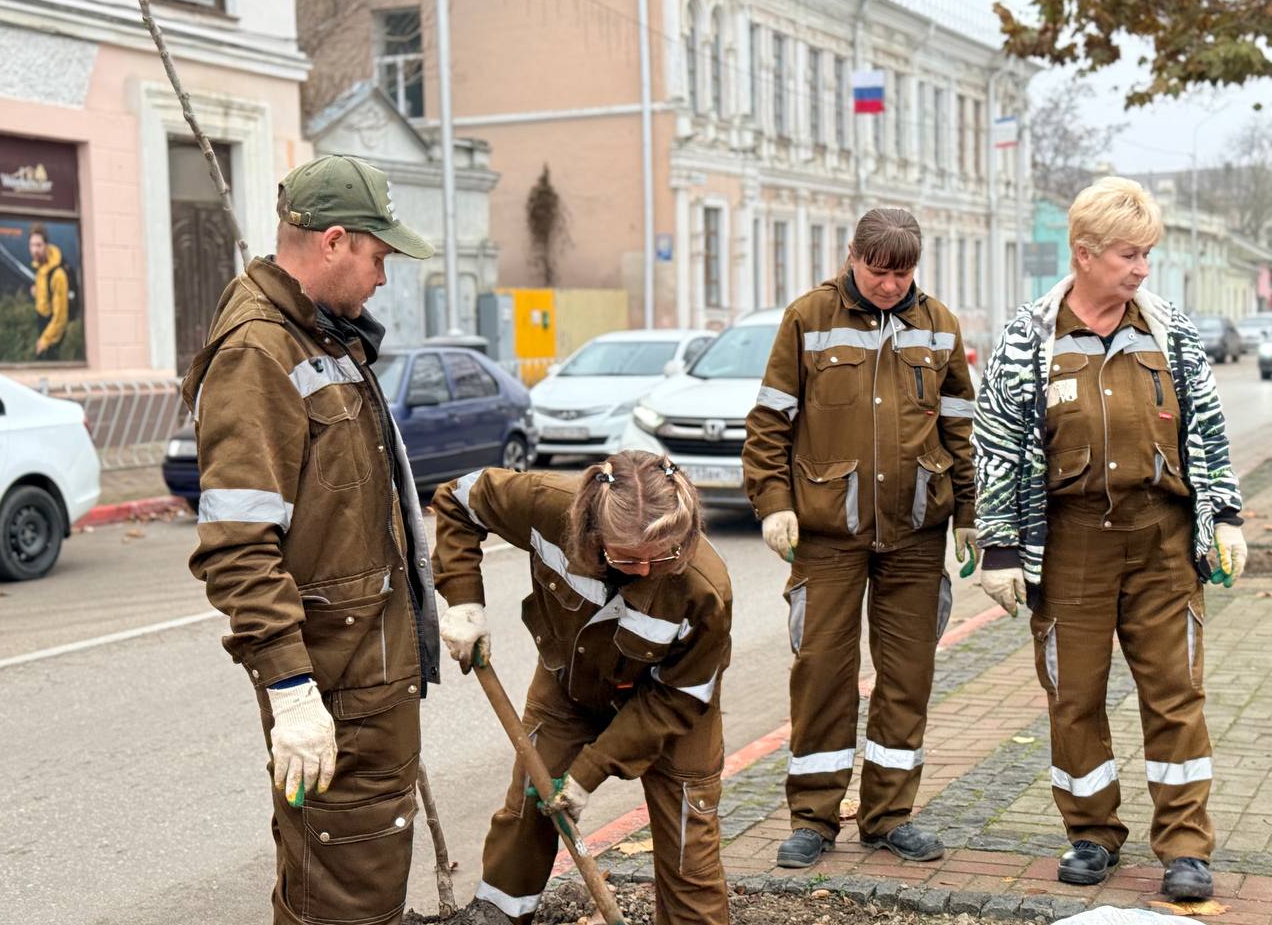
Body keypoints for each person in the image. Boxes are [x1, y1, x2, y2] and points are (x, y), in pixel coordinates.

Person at [183, 154, 441, 925]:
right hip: (334, 688)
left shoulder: (323, 338)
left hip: (369, 677)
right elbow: (237, 542)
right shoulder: (260, 353)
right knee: (340, 895)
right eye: (377, 256)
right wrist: (292, 691)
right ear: (333, 241)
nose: (383, 278)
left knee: (351, 882)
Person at [974, 176, 1247, 899]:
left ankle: (1185, 849)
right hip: (1072, 547)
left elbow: (1208, 434)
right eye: (1130, 254)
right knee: (1075, 698)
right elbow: (997, 445)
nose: (1141, 269)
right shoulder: (1030, 337)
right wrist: (1000, 549)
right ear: (1086, 253)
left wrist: (1222, 516)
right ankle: (1091, 836)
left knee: (1175, 694)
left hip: (1161, 540)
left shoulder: (1169, 331)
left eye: (1147, 254)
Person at [742, 207, 977, 870]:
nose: (890, 286)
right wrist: (772, 504)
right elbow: (767, 425)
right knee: (822, 676)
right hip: (827, 536)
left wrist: (973, 518)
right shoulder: (808, 319)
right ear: (853, 257)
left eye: (902, 274)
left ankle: (888, 817)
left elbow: (960, 430)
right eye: (879, 273)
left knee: (906, 681)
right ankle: (813, 818)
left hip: (916, 535)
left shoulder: (939, 327)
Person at [432, 451, 732, 925]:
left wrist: (588, 772)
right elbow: (459, 499)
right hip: (568, 690)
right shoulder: (547, 505)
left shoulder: (702, 588)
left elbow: (678, 698)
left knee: (687, 849)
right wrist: (464, 599)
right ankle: (498, 915)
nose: (646, 571)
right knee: (529, 809)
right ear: (592, 530)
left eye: (665, 555)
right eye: (628, 558)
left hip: (670, 708)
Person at [28, 223, 70, 360]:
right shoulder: (40, 267)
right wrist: (37, 292)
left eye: (39, 245)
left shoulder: (58, 274)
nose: (35, 250)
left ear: (46, 245)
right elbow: (46, 294)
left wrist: (45, 340)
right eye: (32, 245)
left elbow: (60, 317)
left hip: (52, 333)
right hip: (42, 323)